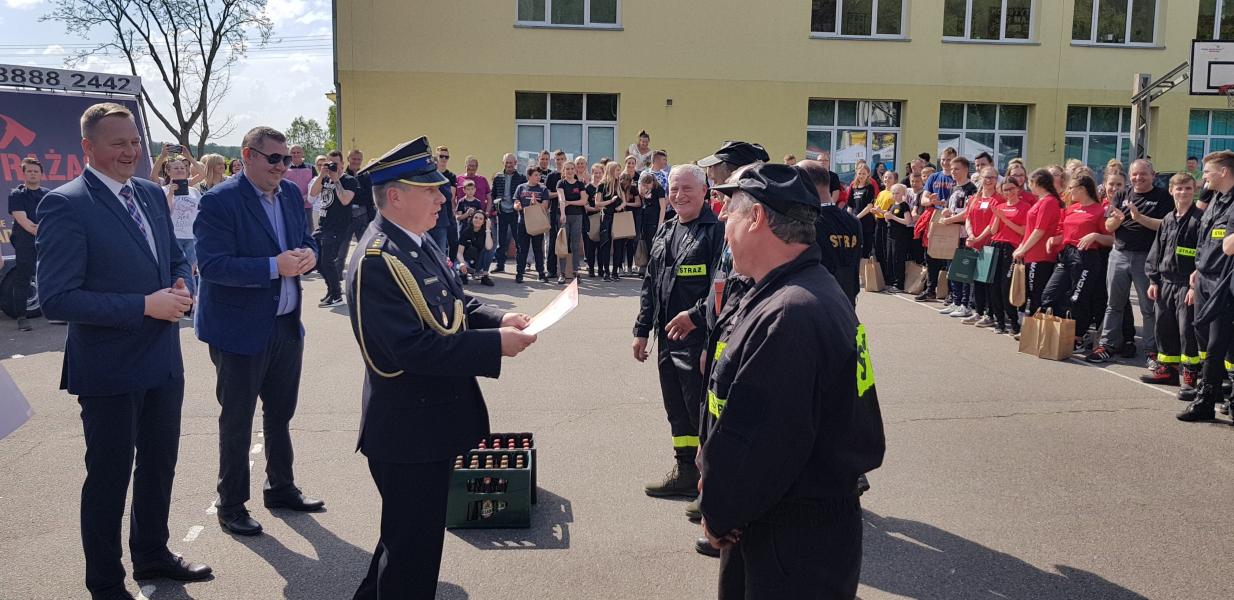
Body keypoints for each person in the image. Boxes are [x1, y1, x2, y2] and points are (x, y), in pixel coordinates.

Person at [344, 136, 536, 598]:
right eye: (429, 189)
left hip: (428, 425)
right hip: (408, 432)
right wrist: (494, 347)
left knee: (405, 541)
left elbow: (455, 301)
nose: (442, 195)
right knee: (412, 558)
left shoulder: (417, 241)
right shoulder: (378, 260)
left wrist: (498, 317)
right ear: (394, 196)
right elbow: (410, 350)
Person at [36, 102, 206, 600]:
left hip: (162, 361)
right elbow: (57, 299)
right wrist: (144, 305)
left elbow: (171, 254)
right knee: (109, 479)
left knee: (160, 465)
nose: (131, 151)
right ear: (88, 148)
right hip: (108, 368)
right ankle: (106, 583)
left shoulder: (153, 194)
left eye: (135, 141)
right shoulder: (66, 204)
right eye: (119, 143)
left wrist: (179, 281)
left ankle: (153, 554)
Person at [700, 163, 885, 599]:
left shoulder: (792, 312)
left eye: (731, 210)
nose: (723, 221)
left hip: (788, 540)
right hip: (794, 527)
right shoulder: (798, 290)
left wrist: (719, 512)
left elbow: (760, 440)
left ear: (758, 218)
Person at [195, 126, 323, 537]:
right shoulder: (219, 201)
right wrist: (274, 267)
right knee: (237, 420)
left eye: (287, 160)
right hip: (238, 330)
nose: (283, 167)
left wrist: (310, 254)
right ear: (248, 156)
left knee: (280, 414)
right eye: (274, 159)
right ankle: (231, 505)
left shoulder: (288, 194)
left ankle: (280, 488)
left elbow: (306, 238)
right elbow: (212, 266)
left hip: (285, 323)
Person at [633, 163, 725, 501]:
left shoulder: (717, 233)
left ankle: (710, 485)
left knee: (702, 412)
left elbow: (722, 288)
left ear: (705, 192)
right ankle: (685, 471)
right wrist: (642, 329)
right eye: (673, 189)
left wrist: (696, 316)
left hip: (697, 341)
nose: (679, 195)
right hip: (665, 340)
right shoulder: (665, 230)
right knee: (676, 408)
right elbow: (650, 285)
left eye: (687, 188)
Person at [1087, 160, 1174, 363]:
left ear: (1153, 175)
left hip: (1146, 257)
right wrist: (1117, 220)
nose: (1138, 178)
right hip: (1119, 255)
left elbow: (1166, 226)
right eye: (1134, 174)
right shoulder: (1121, 194)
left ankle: (1151, 350)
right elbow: (1109, 226)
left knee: (1148, 308)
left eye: (1143, 174)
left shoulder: (1163, 197)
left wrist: (1138, 217)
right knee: (1114, 305)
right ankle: (1106, 345)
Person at [1142, 173, 1202, 390]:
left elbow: (1204, 255)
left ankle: (1189, 375)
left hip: (1187, 284)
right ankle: (1167, 370)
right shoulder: (1168, 219)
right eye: (1179, 189)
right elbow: (1156, 252)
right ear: (1171, 191)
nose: (1183, 192)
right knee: (1164, 327)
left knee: (1187, 331)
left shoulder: (1200, 220)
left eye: (1187, 188)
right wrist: (1153, 280)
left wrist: (1195, 286)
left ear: (1194, 190)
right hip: (1165, 283)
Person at [1040, 174, 1114, 349]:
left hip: (1086, 257)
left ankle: (1077, 336)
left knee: (1077, 298)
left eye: (1071, 188)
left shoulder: (1098, 211)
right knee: (1049, 295)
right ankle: (1056, 331)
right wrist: (1054, 239)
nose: (1068, 191)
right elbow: (1067, 233)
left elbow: (1111, 239)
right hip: (1066, 255)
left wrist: (1095, 236)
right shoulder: (1071, 208)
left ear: (1082, 189)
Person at [797, 159, 863, 306]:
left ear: (805, 184)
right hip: (847, 301)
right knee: (857, 329)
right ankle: (861, 331)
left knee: (858, 329)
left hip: (819, 303)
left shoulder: (808, 222)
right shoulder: (853, 221)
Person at [309, 151, 358, 307]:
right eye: (329, 163)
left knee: (327, 261)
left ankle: (336, 295)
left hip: (338, 226)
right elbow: (313, 194)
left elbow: (345, 200)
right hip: (323, 225)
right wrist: (321, 175)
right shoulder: (324, 179)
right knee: (317, 260)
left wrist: (337, 180)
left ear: (342, 164)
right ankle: (332, 290)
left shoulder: (349, 180)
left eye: (335, 164)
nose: (332, 166)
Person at [1013, 169, 1064, 316]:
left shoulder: (1049, 202)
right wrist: (1022, 247)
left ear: (1037, 183)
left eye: (1030, 182)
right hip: (1032, 253)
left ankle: (1034, 329)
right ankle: (1030, 327)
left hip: (1040, 255)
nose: (1029, 186)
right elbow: (1031, 230)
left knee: (1036, 293)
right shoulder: (1041, 201)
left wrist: (1023, 249)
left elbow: (1039, 230)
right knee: (1030, 292)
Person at [987, 178, 1030, 334]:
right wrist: (998, 216)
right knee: (993, 286)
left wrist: (1004, 218)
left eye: (1012, 188)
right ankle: (999, 321)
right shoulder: (1000, 206)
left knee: (1006, 287)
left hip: (1011, 249)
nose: (1009, 192)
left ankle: (1013, 321)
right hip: (996, 246)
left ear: (1018, 189)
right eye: (1005, 190)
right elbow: (993, 231)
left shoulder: (1025, 207)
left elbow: (1023, 231)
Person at [961, 166, 1002, 327]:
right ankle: (978, 311)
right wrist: (971, 235)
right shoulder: (974, 199)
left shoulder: (999, 199)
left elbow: (993, 225)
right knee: (976, 280)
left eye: (992, 177)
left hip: (990, 245)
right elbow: (968, 218)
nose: (989, 180)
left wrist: (978, 238)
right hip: (975, 244)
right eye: (986, 177)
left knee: (989, 282)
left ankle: (990, 314)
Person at [7, 157, 45, 331]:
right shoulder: (17, 194)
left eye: (36, 171)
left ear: (41, 175)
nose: (33, 173)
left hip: (46, 242)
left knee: (51, 277)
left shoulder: (48, 195)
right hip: (25, 243)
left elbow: (55, 219)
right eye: (29, 171)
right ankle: (22, 317)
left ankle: (55, 313)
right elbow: (25, 223)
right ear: (24, 173)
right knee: (23, 278)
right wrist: (48, 230)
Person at [937, 157, 976, 318]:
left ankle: (965, 304)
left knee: (963, 271)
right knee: (952, 269)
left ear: (966, 169)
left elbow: (968, 213)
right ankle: (956, 299)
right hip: (951, 235)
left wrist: (950, 219)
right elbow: (950, 207)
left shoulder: (971, 189)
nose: (953, 172)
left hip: (964, 234)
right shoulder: (954, 187)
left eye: (957, 169)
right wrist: (946, 212)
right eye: (952, 169)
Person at [163, 156, 203, 301]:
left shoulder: (193, 190)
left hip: (191, 235)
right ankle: (174, 295)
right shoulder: (163, 190)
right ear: (168, 171)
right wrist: (171, 193)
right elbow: (165, 211)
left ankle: (190, 296)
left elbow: (200, 211)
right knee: (175, 268)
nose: (180, 170)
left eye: (182, 168)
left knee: (192, 267)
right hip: (174, 235)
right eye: (175, 168)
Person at [490, 153, 526, 273]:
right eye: (507, 162)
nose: (509, 165)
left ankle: (520, 267)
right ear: (503, 163)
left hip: (516, 213)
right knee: (501, 240)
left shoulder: (521, 177)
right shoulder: (498, 177)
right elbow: (493, 194)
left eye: (511, 162)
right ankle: (500, 265)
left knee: (519, 240)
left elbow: (524, 194)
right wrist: (495, 207)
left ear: (515, 163)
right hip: (502, 212)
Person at [513, 166, 549, 283]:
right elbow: (516, 203)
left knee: (538, 249)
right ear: (529, 176)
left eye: (539, 175)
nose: (538, 177)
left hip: (536, 223)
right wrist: (517, 206)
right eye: (536, 175)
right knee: (522, 249)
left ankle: (541, 273)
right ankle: (519, 273)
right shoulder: (521, 187)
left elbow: (545, 207)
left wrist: (536, 203)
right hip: (523, 222)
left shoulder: (543, 189)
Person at [555, 160, 589, 284]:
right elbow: (561, 199)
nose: (569, 171)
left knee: (575, 245)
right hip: (565, 216)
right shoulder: (561, 183)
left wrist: (570, 202)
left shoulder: (580, 184)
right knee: (564, 245)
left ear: (575, 170)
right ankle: (562, 273)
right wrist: (563, 213)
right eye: (567, 169)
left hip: (577, 216)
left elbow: (583, 201)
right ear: (564, 171)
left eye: (571, 169)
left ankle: (575, 272)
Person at [595, 162, 623, 281]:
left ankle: (615, 271)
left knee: (619, 245)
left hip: (618, 217)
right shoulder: (602, 185)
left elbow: (624, 201)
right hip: (606, 217)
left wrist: (621, 206)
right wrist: (611, 201)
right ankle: (606, 272)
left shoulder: (618, 184)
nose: (619, 172)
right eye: (617, 170)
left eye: (619, 170)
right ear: (611, 170)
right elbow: (597, 203)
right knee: (605, 244)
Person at [457, 210, 495, 286]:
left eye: (481, 219)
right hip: (466, 261)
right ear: (472, 219)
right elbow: (459, 253)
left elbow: (489, 247)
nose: (477, 220)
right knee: (459, 266)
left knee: (489, 250)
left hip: (478, 261)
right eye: (476, 217)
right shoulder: (466, 232)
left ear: (484, 221)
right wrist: (462, 263)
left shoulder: (486, 232)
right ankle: (463, 275)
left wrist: (488, 229)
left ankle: (485, 276)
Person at [285, 145, 317, 234]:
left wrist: (305, 197)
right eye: (293, 152)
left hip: (307, 206)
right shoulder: (284, 168)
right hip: (289, 206)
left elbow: (316, 185)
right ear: (289, 154)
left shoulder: (311, 168)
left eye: (298, 152)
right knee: (291, 232)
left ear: (302, 153)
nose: (295, 154)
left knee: (308, 232)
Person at [347, 149, 375, 239]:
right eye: (354, 159)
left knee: (364, 246)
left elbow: (369, 197)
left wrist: (353, 193)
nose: (356, 162)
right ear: (348, 159)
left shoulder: (366, 176)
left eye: (359, 159)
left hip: (364, 217)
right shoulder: (342, 176)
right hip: (346, 217)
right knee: (341, 249)